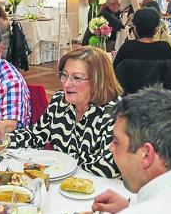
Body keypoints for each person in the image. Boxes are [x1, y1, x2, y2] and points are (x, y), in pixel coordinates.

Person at [10, 46, 122, 178]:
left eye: (77, 78)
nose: (67, 84)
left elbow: (111, 167)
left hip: (98, 190)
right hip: (61, 184)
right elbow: (36, 136)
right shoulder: (59, 101)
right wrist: (5, 139)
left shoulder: (115, 113)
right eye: (64, 75)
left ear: (98, 80)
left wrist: (65, 159)